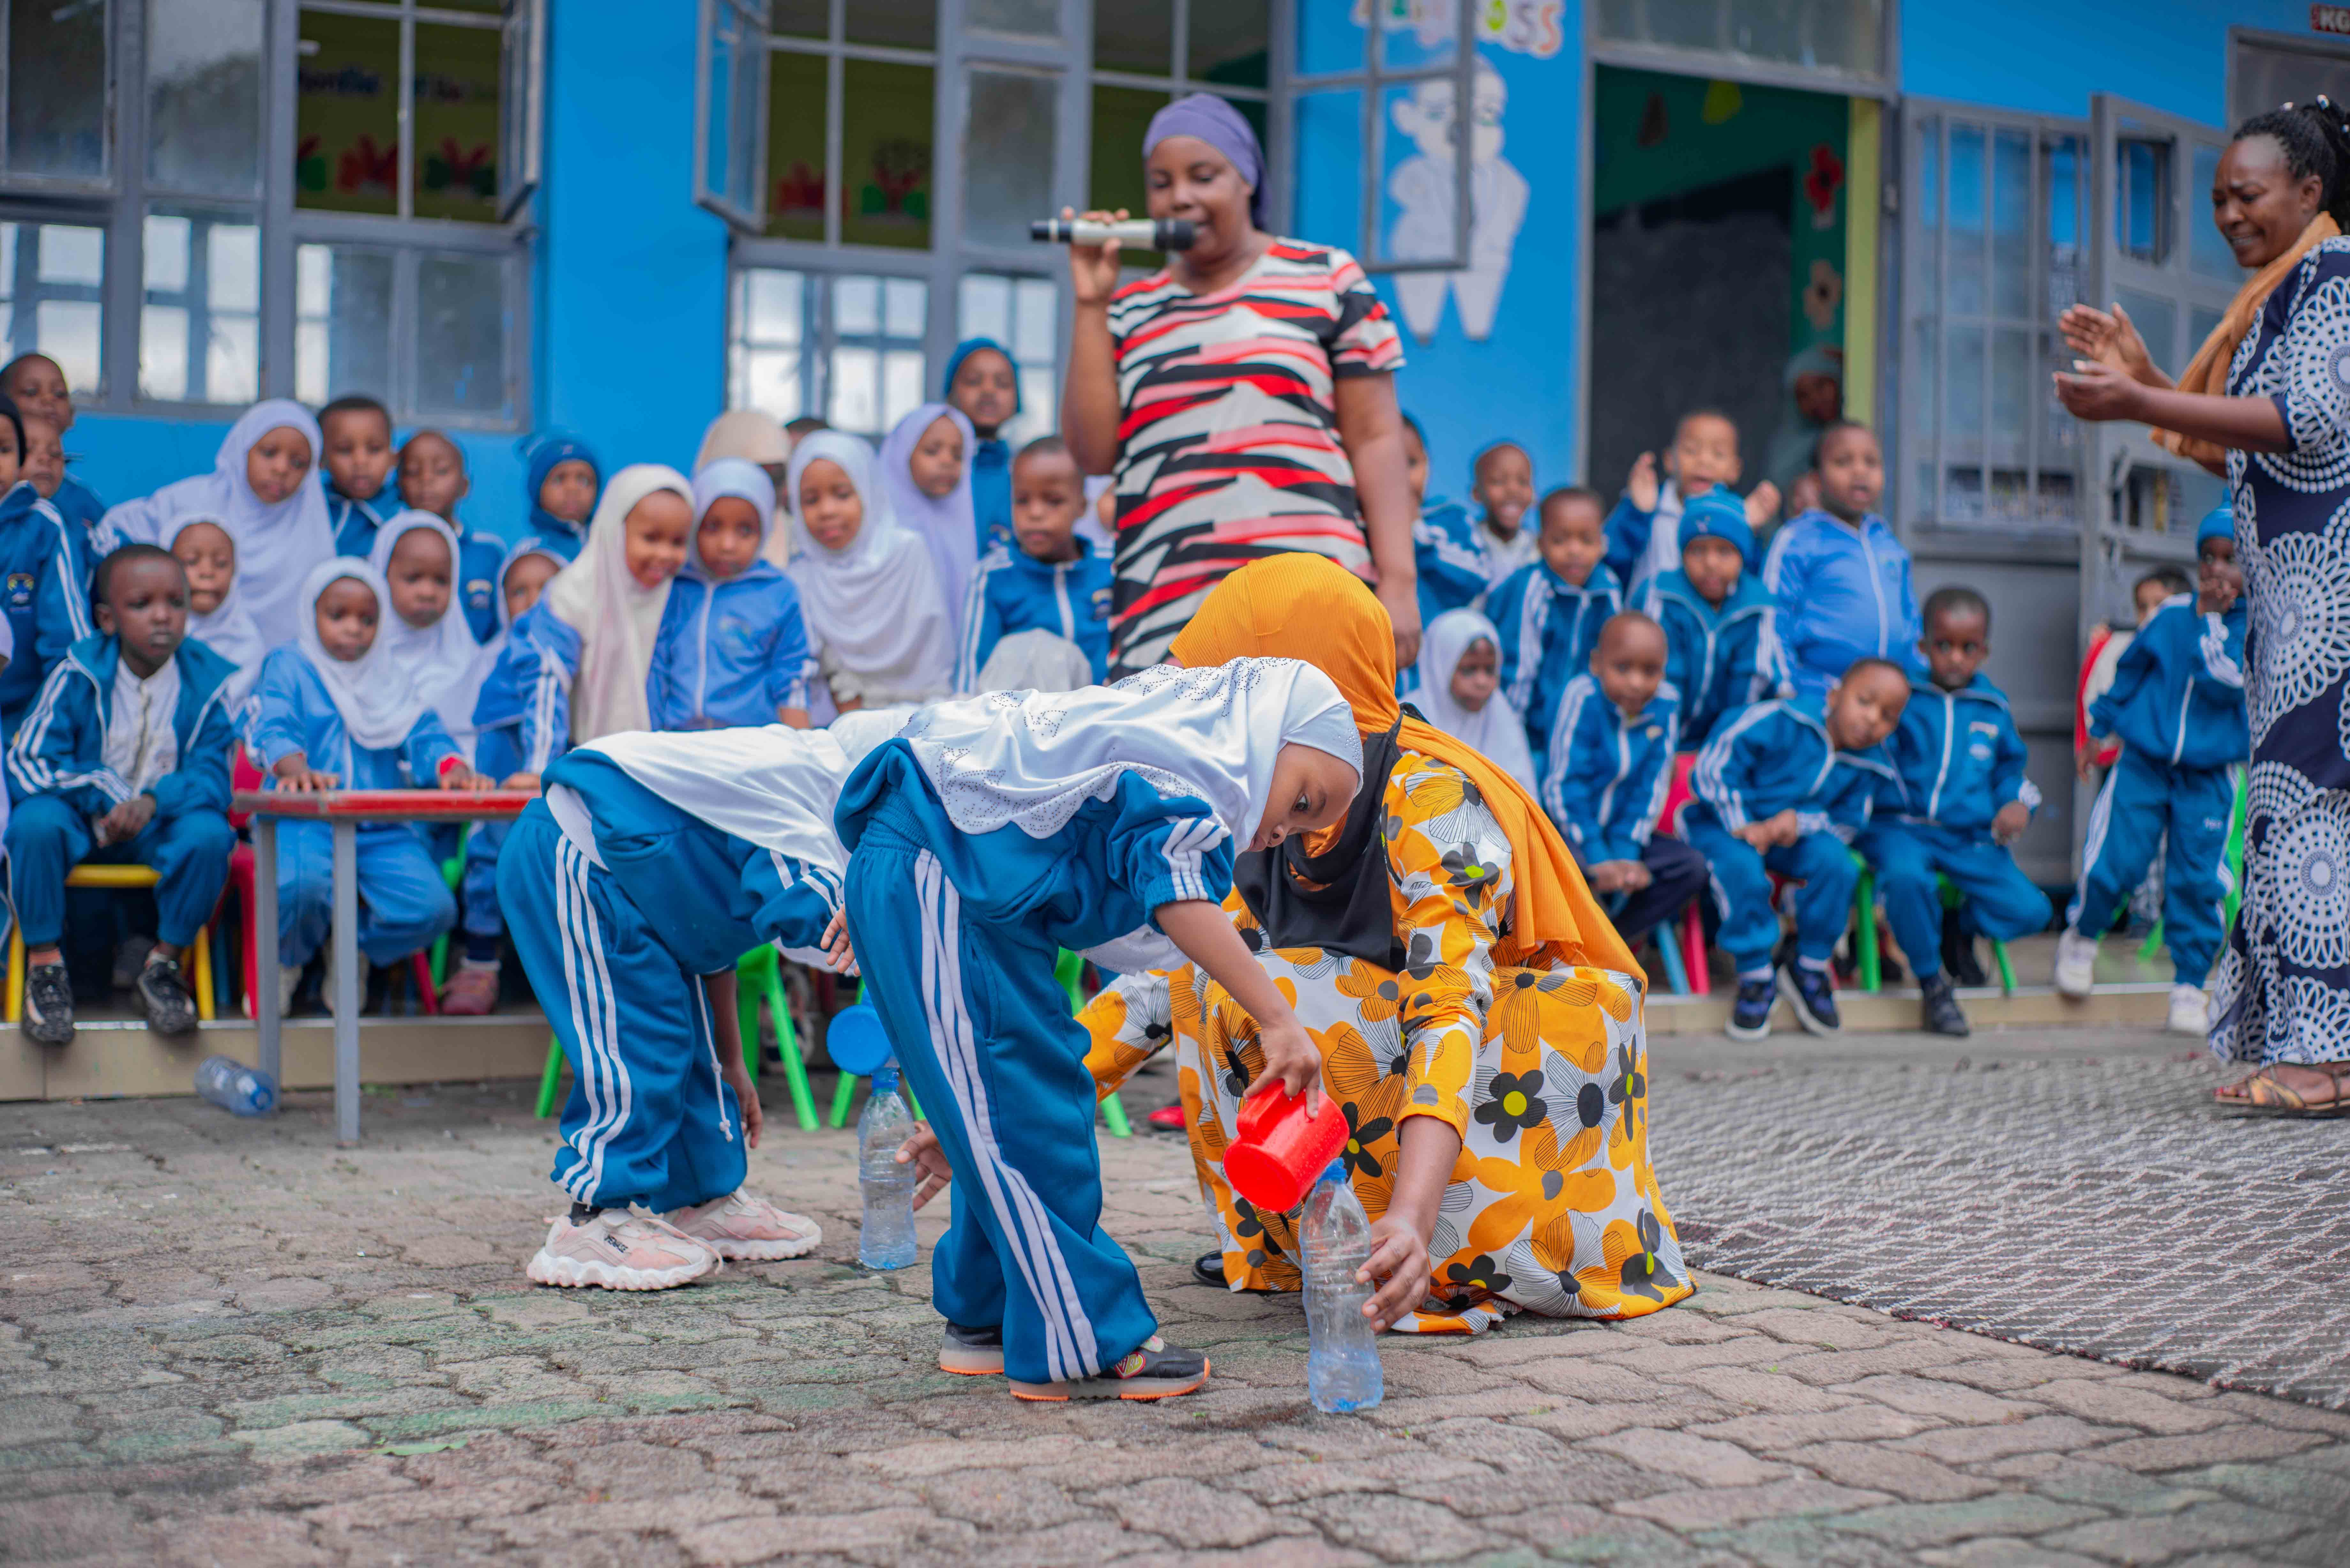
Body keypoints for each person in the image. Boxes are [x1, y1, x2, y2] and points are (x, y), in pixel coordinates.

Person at [1079, 554, 1687, 1338]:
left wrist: (1412, 1212)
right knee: (1218, 980)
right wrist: (1003, 1116)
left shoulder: (1429, 795)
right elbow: (1164, 981)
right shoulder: (1265, 797)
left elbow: (1450, 1005)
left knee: (1294, 989)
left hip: (1520, 1104)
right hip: (1418, 1072)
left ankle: (1408, 1251)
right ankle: (1301, 1246)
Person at [847, 657, 1365, 1401]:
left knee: (1032, 1102)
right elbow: (1179, 898)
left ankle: (986, 1313)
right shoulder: (1195, 765)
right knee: (1026, 1126)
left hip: (952, 886)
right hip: (941, 879)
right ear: (1264, 730)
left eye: (1304, 828)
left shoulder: (1153, 740)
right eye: (1304, 797)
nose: (1283, 827)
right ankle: (1083, 1338)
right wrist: (1277, 1018)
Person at [2058, 102, 2350, 1108]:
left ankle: (2320, 1058)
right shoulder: (2279, 293)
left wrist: (2140, 402)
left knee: (2306, 815)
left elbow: (2298, 420)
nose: (2226, 213)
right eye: (2217, 197)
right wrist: (2146, 379)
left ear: (2308, 193)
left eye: (2246, 193)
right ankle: (2313, 1046)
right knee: (2288, 813)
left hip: (2332, 607)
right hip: (2293, 610)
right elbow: (2246, 445)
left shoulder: (2334, 281)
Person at [1059, 93, 1420, 674]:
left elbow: (1378, 438)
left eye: (1204, 176)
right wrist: (1090, 302)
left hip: (1314, 599)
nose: (1180, 196)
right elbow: (1093, 452)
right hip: (1169, 619)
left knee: (1315, 762)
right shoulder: (1129, 309)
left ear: (1248, 178)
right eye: (1161, 182)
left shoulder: (1327, 279)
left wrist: (1399, 583)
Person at [502, 723, 861, 1290]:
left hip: (646, 889)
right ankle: (592, 1218)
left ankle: (705, 1199)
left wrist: (733, 1060)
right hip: (577, 849)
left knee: (688, 1043)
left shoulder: (795, 800)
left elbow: (714, 943)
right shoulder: (798, 796)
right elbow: (818, 910)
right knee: (640, 1042)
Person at [5, 546, 239, 1045]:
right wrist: (104, 791)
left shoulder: (207, 681)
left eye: (176, 602)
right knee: (34, 824)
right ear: (107, 619)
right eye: (142, 604)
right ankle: (46, 969)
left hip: (156, 826)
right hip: (80, 821)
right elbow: (27, 760)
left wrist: (152, 802)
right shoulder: (78, 671)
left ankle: (162, 966)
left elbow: (214, 779)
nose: (162, 615)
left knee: (209, 834)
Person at [248, 560, 491, 1012]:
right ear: (310, 614)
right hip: (305, 816)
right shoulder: (290, 664)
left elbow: (425, 732)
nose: (354, 630)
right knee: (300, 887)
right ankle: (287, 961)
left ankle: (351, 947)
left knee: (433, 909)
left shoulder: (388, 673)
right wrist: (294, 766)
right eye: (337, 616)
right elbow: (273, 720)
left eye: (367, 619)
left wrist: (451, 766)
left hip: (378, 826)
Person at [2056, 508, 2246, 1037]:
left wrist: (2212, 621)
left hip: (2209, 775)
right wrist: (2099, 731)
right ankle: (2083, 936)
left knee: (2197, 879)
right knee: (2117, 859)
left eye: (2231, 559)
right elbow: (2129, 672)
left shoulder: (2254, 627)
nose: (2216, 570)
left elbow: (2227, 682)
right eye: (2208, 557)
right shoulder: (2169, 616)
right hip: (2145, 763)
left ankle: (2189, 983)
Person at [1683, 657, 1908, 1040]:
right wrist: (1743, 822)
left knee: (1838, 865)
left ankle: (1808, 964)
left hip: (1789, 838)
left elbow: (1849, 822)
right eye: (1864, 702)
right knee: (1741, 868)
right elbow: (1714, 763)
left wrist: (1797, 822)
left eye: (1887, 716)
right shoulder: (1782, 718)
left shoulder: (1872, 765)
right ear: (1836, 695)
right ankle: (1755, 972)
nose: (1872, 719)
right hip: (1721, 821)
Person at [1862, 587, 2053, 1037]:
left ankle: (1956, 926)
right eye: (1943, 646)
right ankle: (1933, 984)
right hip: (1900, 828)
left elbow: (2010, 769)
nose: (1955, 659)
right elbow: (1871, 748)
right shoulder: (1904, 695)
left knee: (2032, 911)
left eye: (1969, 648)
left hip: (1967, 837)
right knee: (1908, 880)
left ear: (1984, 651)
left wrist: (2015, 803)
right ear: (1925, 647)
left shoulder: (1993, 707)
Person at [497, 466, 697, 779]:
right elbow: (548, 682)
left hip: (655, 770)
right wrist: (539, 768)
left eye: (677, 542)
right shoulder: (572, 597)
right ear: (615, 531)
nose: (665, 554)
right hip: (577, 762)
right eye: (651, 538)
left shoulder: (678, 597)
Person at [97, 398, 334, 647]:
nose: (281, 469)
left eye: (298, 463)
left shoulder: (311, 534)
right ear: (243, 448)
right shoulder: (191, 501)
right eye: (269, 453)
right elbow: (117, 530)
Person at [444, 538, 567, 1015]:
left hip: (558, 803)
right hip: (503, 795)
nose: (533, 602)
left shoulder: (580, 662)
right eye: (520, 592)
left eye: (548, 589)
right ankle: (480, 961)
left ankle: (567, 970)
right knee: (489, 851)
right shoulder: (492, 668)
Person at [1542, 612, 1706, 952]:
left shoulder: (1666, 703)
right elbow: (1563, 787)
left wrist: (1626, 855)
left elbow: (1651, 787)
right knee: (1559, 869)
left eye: (1650, 672)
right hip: (1572, 833)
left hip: (1627, 835)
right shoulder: (1582, 697)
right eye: (1623, 668)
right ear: (1597, 663)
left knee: (1692, 867)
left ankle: (1612, 942)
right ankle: (1576, 946)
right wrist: (1599, 856)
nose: (1636, 683)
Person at [784, 431, 954, 717]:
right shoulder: (800, 577)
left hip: (924, 713)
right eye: (811, 500)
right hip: (839, 721)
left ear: (868, 492)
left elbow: (933, 649)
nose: (827, 511)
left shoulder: (907, 552)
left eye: (842, 495)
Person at [1760, 421, 1919, 697]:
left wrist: (1916, 682)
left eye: (1871, 462)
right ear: (1817, 480)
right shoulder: (1799, 538)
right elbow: (1772, 615)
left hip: (1885, 704)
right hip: (1817, 695)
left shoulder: (1889, 544)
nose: (1860, 471)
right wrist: (1784, 687)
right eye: (1843, 462)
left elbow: (1911, 623)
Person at [652, 459, 812, 728]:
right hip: (677, 741)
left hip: (749, 744)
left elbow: (791, 674)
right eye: (713, 527)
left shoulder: (778, 593)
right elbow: (656, 670)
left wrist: (803, 750)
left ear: (764, 532)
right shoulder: (675, 587)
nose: (727, 545)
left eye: (745, 530)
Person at [956, 437, 1112, 691]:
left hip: (1103, 717)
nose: (1036, 513)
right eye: (1022, 501)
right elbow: (971, 679)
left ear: (1082, 506)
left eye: (1053, 501)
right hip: (1025, 724)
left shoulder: (1110, 568)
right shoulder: (993, 576)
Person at [1636, 487, 1782, 749]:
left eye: (1725, 552)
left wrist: (1725, 749)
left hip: (1728, 744)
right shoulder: (1660, 594)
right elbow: (1657, 681)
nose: (1711, 563)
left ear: (1743, 556)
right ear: (1682, 555)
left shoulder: (1758, 605)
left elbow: (1753, 685)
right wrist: (1663, 746)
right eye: (1698, 551)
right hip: (1653, 738)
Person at [1486, 486, 1622, 755]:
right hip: (1530, 730)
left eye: (1586, 541)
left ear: (1603, 544)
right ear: (1541, 544)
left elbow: (1611, 661)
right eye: (1560, 541)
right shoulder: (1533, 589)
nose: (1574, 551)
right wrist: (1511, 739)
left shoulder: (1608, 590)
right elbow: (1518, 671)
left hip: (1582, 729)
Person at [0, 392, 94, 738]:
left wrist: (54, 724)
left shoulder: (43, 526)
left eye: (5, 450)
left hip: (24, 722)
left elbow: (67, 638)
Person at [1605, 410, 1780, 594]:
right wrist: (1638, 513)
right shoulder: (1649, 503)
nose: (1704, 461)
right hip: (1650, 617)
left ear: (1735, 470)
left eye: (1718, 454)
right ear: (1669, 460)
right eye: (1691, 451)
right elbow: (1610, 561)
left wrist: (1746, 529)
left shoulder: (1739, 515)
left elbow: (1751, 585)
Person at [366, 510, 487, 750]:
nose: (428, 592)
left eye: (441, 580)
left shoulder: (474, 669)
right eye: (413, 578)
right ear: (381, 575)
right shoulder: (358, 669)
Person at [2079, 567, 2194, 778]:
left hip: (2187, 770)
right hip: (2136, 769)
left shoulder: (2202, 655)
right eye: (2143, 607)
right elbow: (2112, 699)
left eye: (2161, 605)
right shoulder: (2128, 656)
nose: (2151, 615)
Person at [878, 401, 979, 636]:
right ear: (902, 454)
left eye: (958, 455)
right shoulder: (883, 529)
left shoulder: (962, 524)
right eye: (932, 451)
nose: (947, 462)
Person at [1410, 607, 1537, 793]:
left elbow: (1524, 797)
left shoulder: (1503, 718)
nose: (1482, 682)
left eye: (1489, 670)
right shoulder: (1410, 719)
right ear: (1440, 667)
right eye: (1469, 670)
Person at [396, 431, 502, 643]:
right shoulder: (387, 550)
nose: (426, 480)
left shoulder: (489, 553)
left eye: (441, 471)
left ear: (464, 487)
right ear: (398, 486)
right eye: (413, 472)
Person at [163, 517, 265, 712]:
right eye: (191, 561)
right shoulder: (153, 634)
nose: (207, 572)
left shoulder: (247, 645)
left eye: (221, 564)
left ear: (236, 570)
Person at [0, 354, 103, 545]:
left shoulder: (83, 501)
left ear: (72, 416)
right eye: (32, 392)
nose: (48, 400)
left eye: (60, 394)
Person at [1403, 414, 1488, 634]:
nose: (1400, 477)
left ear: (1428, 464)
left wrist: (1417, 531)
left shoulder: (1450, 518)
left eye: (1411, 463)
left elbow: (1475, 577)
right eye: (1387, 466)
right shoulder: (1357, 525)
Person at [943, 340, 1020, 558]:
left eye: (1003, 383)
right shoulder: (933, 470)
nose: (988, 390)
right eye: (973, 381)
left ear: (1017, 400)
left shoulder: (1022, 472)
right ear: (952, 393)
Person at [693, 411, 792, 568]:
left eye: (777, 478)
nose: (765, 490)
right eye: (750, 479)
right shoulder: (674, 552)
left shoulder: (807, 546)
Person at [319, 395, 398, 558]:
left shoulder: (403, 512)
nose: (361, 462)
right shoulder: (313, 510)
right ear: (321, 459)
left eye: (375, 449)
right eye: (345, 450)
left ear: (393, 458)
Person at [1464, 440, 1538, 587]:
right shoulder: (1466, 545)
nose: (1513, 490)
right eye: (1498, 482)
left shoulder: (1540, 551)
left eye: (1523, 482)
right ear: (1476, 494)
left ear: (1534, 494)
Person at [520, 432, 601, 562]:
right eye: (559, 479)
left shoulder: (610, 545)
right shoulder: (532, 553)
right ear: (538, 491)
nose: (573, 489)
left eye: (584, 481)